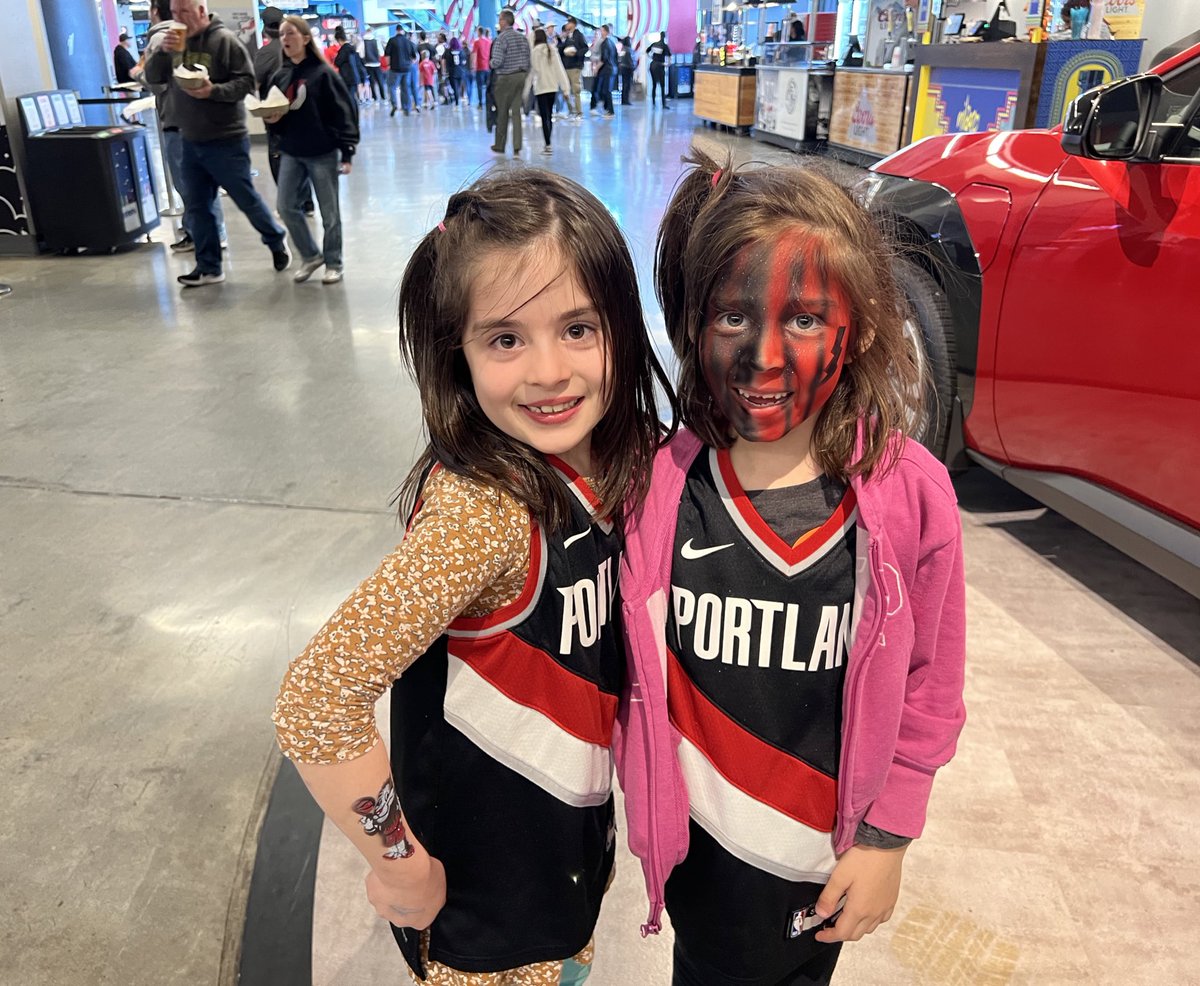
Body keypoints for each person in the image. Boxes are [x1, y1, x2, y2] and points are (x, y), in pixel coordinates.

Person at [272, 168, 676, 986]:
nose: (550, 372)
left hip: (560, 857)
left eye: (579, 329)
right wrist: (398, 863)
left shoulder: (618, 455)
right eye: (505, 339)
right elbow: (316, 700)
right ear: (456, 353)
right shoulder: (479, 515)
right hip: (485, 917)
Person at [616, 151, 967, 986]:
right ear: (693, 323)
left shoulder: (912, 496)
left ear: (866, 328)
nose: (764, 357)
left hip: (823, 863)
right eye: (732, 318)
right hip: (701, 860)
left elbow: (929, 688)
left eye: (806, 320)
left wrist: (888, 840)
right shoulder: (658, 488)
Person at [144, 0, 289, 288]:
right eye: (174, 14)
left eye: (184, 12)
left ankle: (274, 239)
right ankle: (209, 266)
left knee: (244, 197)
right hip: (189, 137)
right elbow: (153, 77)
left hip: (226, 138)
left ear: (200, 11)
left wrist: (214, 91)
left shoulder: (224, 41)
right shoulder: (173, 43)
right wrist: (162, 52)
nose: (179, 19)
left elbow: (247, 83)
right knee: (197, 206)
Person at [263, 16, 358, 286]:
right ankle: (310, 255)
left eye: (290, 33)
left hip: (322, 152)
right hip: (292, 151)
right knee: (285, 206)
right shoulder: (280, 75)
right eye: (282, 34)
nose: (285, 39)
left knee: (329, 213)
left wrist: (347, 152)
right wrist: (272, 121)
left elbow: (343, 113)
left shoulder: (323, 74)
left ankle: (334, 262)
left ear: (305, 38)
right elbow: (275, 110)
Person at [132, 0, 228, 253]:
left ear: (154, 12)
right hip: (195, 118)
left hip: (177, 118)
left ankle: (209, 235)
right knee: (199, 180)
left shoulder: (160, 41)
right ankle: (201, 231)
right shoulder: (192, 37)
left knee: (189, 182)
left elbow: (157, 82)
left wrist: (139, 73)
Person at [254, 6, 313, 218]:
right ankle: (306, 202)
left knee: (279, 157)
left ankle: (290, 203)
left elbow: (256, 80)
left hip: (275, 115)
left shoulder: (266, 53)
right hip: (302, 114)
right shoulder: (301, 50)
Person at [489, 10, 531, 155]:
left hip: (505, 78)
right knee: (516, 112)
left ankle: (500, 145)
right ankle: (517, 146)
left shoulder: (502, 38)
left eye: (500, 20)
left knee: (502, 112)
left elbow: (497, 61)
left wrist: (491, 63)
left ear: (503, 21)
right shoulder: (522, 38)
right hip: (521, 76)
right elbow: (528, 58)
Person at [525, 28, 569, 156]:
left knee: (544, 116)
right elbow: (559, 69)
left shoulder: (534, 52)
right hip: (552, 87)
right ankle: (548, 143)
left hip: (540, 88)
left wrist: (526, 89)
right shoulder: (552, 50)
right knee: (549, 115)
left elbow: (532, 72)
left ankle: (548, 143)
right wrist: (565, 88)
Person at [385, 25, 419, 116]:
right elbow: (414, 57)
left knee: (392, 87)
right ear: (403, 31)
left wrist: (388, 65)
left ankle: (394, 104)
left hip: (395, 69)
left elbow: (387, 55)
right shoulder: (408, 42)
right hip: (407, 69)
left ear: (396, 31)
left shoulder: (392, 41)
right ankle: (406, 108)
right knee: (406, 88)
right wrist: (409, 63)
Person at [558, 18, 586, 120]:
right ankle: (571, 110)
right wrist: (561, 40)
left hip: (575, 67)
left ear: (573, 24)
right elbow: (560, 50)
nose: (567, 25)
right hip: (566, 66)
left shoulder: (579, 35)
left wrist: (576, 53)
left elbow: (585, 48)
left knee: (575, 90)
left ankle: (579, 112)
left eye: (569, 23)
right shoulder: (567, 36)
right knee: (566, 90)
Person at [333, 28, 368, 103]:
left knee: (349, 99)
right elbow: (358, 63)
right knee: (352, 98)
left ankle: (352, 113)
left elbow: (337, 62)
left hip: (347, 78)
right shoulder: (352, 49)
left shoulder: (344, 50)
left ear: (339, 39)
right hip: (354, 77)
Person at [594, 25, 616, 118]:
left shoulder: (605, 43)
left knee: (606, 91)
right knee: (605, 90)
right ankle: (607, 109)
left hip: (607, 69)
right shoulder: (611, 42)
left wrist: (596, 68)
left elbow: (604, 58)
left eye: (602, 31)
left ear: (606, 32)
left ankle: (610, 111)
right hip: (611, 69)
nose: (601, 33)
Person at [646, 32, 671, 108]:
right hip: (660, 66)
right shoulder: (665, 46)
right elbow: (669, 56)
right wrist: (667, 64)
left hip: (652, 65)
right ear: (665, 37)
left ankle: (653, 103)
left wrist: (651, 58)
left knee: (654, 84)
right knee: (662, 85)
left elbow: (647, 51)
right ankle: (663, 104)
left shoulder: (654, 44)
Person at [362, 27, 385, 102]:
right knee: (380, 81)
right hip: (376, 64)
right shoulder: (376, 41)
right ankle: (383, 97)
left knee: (371, 82)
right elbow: (381, 53)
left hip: (368, 64)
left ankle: (375, 98)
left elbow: (361, 54)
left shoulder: (363, 42)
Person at [472, 26, 492, 107]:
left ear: (479, 32)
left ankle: (480, 103)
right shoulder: (489, 41)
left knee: (479, 86)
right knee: (488, 86)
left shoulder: (477, 42)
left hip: (480, 67)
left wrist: (473, 66)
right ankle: (489, 102)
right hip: (488, 66)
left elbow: (474, 54)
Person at [443, 36, 466, 106]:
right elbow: (464, 61)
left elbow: (444, 60)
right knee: (458, 87)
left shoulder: (448, 51)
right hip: (460, 72)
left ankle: (456, 102)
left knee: (454, 87)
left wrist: (444, 70)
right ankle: (457, 99)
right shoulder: (461, 51)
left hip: (452, 72)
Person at [617, 36, 635, 106]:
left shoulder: (622, 49)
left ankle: (623, 100)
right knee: (627, 85)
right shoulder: (629, 50)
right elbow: (631, 61)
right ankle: (626, 100)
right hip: (628, 69)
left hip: (622, 68)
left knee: (624, 85)